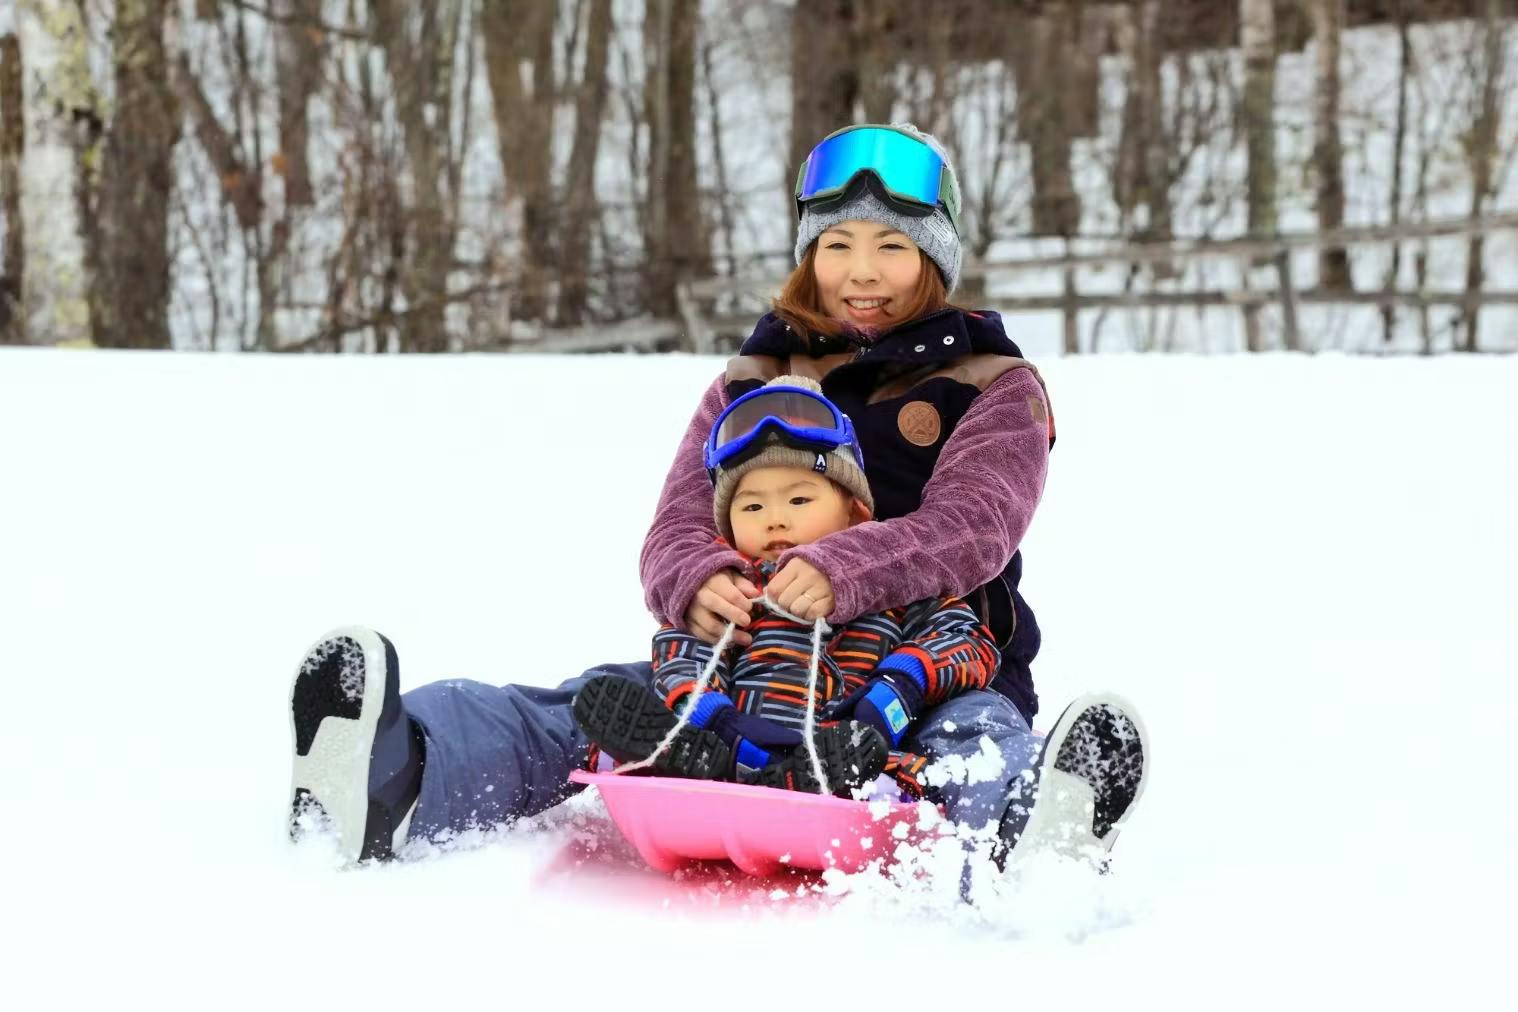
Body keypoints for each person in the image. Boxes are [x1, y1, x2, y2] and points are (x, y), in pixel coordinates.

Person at [288, 123, 1148, 869]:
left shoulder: (995, 383)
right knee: (578, 709)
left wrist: (841, 568)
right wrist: (696, 579)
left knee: (972, 745)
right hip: (748, 661)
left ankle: (1031, 836)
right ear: (811, 254)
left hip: (927, 664)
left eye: (893, 247)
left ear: (935, 258)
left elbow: (975, 527)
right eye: (838, 245)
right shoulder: (757, 373)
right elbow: (677, 518)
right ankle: (397, 771)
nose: (863, 272)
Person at [572, 376, 1003, 801]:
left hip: (852, 746)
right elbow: (684, 652)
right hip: (736, 742)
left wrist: (900, 686)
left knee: (898, 775)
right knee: (671, 726)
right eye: (752, 506)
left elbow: (968, 642)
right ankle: (687, 760)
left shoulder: (891, 587)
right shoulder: (737, 589)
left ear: (855, 513)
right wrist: (718, 718)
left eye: (799, 501)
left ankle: (805, 781)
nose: (775, 519)